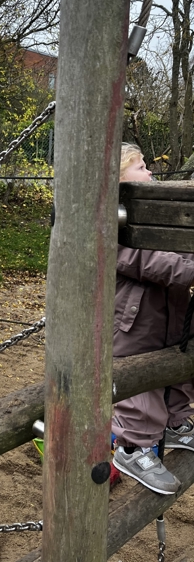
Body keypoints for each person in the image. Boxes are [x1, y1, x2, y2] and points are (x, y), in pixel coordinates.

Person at [112, 143, 194, 494]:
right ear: (118, 180)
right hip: (136, 321)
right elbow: (149, 262)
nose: (150, 172)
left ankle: (175, 424)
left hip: (172, 315)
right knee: (139, 383)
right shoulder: (113, 222)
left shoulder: (158, 215)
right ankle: (133, 448)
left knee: (178, 368)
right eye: (141, 167)